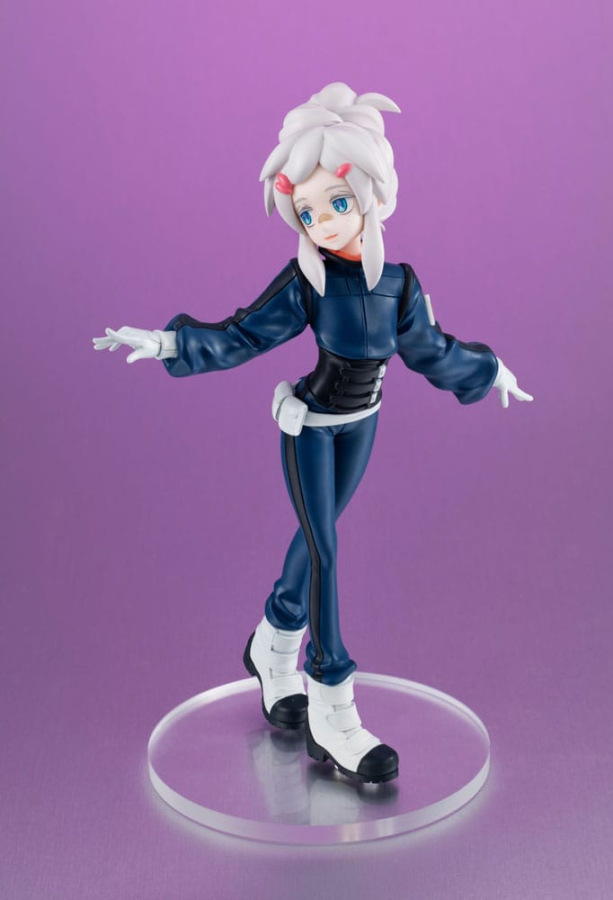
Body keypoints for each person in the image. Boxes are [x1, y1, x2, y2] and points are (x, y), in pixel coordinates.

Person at [94, 82, 532, 784]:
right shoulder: (308, 282)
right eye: (306, 211)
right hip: (310, 426)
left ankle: (271, 644)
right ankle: (333, 708)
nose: (322, 222)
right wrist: (170, 343)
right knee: (326, 550)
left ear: (371, 194)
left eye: (335, 203)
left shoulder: (399, 285)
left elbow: (429, 350)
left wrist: (489, 370)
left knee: (313, 538)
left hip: (362, 425)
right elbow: (243, 332)